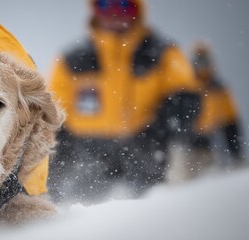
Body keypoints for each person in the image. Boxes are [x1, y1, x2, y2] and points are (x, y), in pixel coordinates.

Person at [47, 0, 200, 204]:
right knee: (80, 217)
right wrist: (59, 152)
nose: (114, 13)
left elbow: (186, 99)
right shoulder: (71, 60)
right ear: (94, 10)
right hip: (85, 153)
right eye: (103, 5)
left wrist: (160, 130)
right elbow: (51, 113)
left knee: (149, 214)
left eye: (124, 5)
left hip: (144, 148)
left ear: (138, 10)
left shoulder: (163, 54)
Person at [189, 42, 245, 176]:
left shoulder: (219, 90)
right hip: (185, 146)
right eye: (198, 61)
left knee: (205, 181)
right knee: (179, 184)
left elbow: (231, 124)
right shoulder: (186, 88)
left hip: (208, 146)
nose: (201, 66)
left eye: (204, 61)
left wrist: (236, 153)